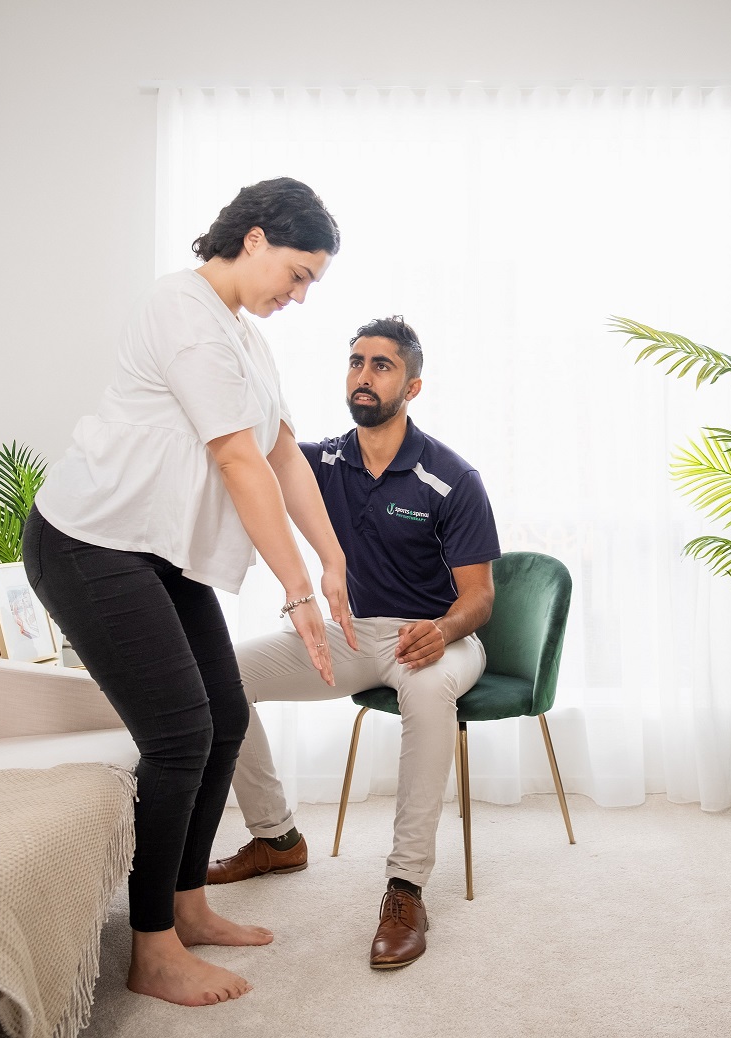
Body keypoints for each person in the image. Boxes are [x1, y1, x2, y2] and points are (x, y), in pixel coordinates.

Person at [22, 177, 358, 1007]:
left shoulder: (247, 338)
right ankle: (152, 947)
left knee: (226, 717)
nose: (299, 293)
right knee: (179, 735)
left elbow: (283, 455)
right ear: (252, 238)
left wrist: (333, 560)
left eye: (312, 280)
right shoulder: (180, 311)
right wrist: (296, 593)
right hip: (89, 542)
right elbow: (236, 459)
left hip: (157, 553)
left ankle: (186, 904)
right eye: (298, 271)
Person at [207, 315, 501, 970]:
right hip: (350, 636)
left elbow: (479, 598)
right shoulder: (318, 463)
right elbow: (252, 455)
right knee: (220, 673)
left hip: (433, 636)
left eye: (381, 365)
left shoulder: (451, 476)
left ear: (413, 385)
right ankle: (275, 837)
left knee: (427, 698)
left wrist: (443, 630)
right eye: (355, 361)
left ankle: (405, 888)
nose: (363, 376)